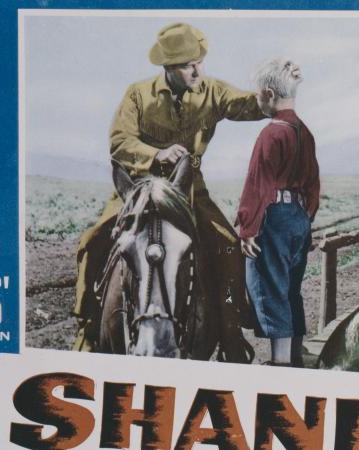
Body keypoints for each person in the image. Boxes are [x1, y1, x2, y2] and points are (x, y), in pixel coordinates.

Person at [73, 23, 290, 362]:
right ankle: (87, 326)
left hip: (190, 190)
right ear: (169, 67)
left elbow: (249, 105)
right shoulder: (137, 95)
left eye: (199, 62)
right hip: (137, 189)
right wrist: (155, 155)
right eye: (189, 64)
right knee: (93, 241)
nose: (197, 70)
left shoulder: (212, 91)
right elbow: (119, 142)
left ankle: (231, 334)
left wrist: (277, 85)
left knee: (228, 246)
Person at [236, 59, 320, 367]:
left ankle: (280, 365)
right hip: (298, 218)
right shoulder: (304, 132)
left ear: (269, 94)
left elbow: (258, 186)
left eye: (258, 95)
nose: (257, 100)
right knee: (291, 291)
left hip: (274, 218)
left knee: (271, 289)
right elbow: (313, 183)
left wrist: (247, 229)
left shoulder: (271, 134)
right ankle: (295, 357)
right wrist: (305, 219)